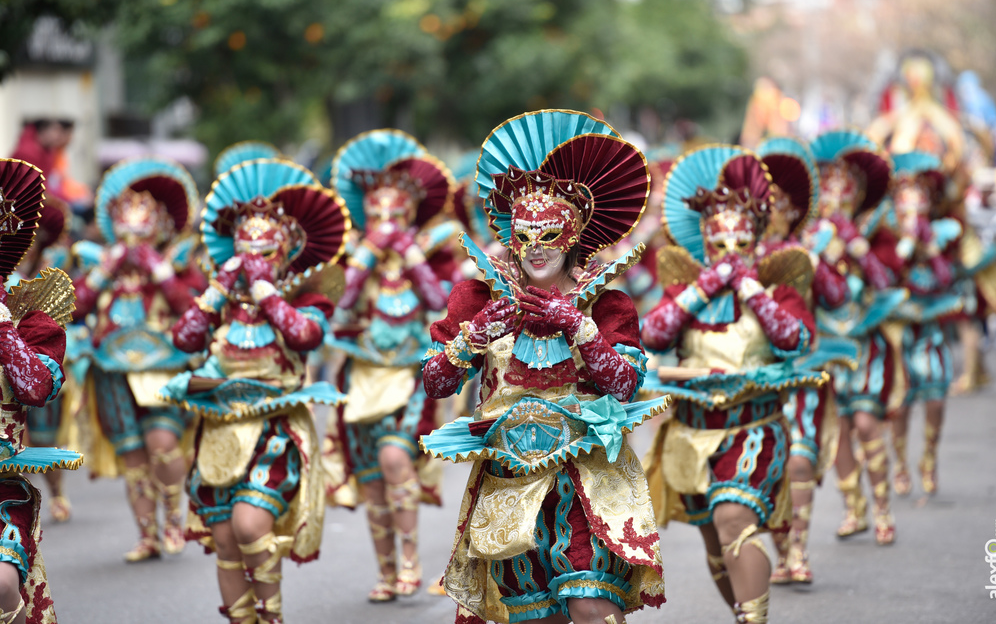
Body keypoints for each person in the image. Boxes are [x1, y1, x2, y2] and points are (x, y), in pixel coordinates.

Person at [421, 110, 666, 624]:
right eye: (525, 235)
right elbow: (436, 382)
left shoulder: (607, 305)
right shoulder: (477, 297)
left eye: (550, 234)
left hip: (585, 478)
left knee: (592, 604)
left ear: (575, 234)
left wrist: (579, 326)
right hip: (506, 478)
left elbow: (625, 385)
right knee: (533, 616)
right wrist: (476, 334)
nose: (537, 249)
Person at [162, 157, 349, 624]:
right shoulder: (221, 297)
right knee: (224, 538)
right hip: (219, 427)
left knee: (250, 525)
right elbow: (183, 340)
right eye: (244, 251)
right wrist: (221, 286)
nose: (251, 262)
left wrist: (267, 292)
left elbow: (308, 337)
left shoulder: (308, 293)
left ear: (285, 253)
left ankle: (273, 617)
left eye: (263, 254)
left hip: (273, 428)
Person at [641, 144, 819, 624]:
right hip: (690, 431)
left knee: (733, 519)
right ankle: (745, 613)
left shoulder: (778, 287)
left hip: (753, 427)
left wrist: (747, 286)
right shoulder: (686, 288)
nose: (731, 255)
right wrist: (705, 286)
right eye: (719, 245)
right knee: (715, 542)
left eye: (742, 244)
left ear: (759, 239)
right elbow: (653, 333)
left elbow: (795, 339)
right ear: (702, 240)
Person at [322, 129, 457, 602]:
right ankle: (384, 571)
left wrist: (409, 252)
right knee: (372, 480)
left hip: (410, 374)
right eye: (376, 210)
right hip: (361, 373)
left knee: (395, 458)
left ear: (412, 211)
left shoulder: (435, 247)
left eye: (395, 210)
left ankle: (409, 561)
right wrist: (366, 257)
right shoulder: (352, 253)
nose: (385, 218)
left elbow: (443, 305)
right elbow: (336, 314)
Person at [73, 157, 206, 562]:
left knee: (163, 444)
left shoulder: (179, 263)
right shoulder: (102, 263)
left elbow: (194, 311)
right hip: (112, 369)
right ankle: (146, 535)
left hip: (163, 367)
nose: (133, 233)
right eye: (125, 223)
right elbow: (73, 308)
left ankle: (172, 518)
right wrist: (104, 272)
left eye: (143, 222)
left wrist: (160, 270)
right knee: (133, 455)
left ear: (162, 225)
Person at [804, 129, 902, 545]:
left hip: (865, 342)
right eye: (828, 186)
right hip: (826, 342)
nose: (836, 195)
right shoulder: (808, 233)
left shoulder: (874, 230)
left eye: (845, 188)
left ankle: (882, 506)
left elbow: (887, 281)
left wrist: (855, 243)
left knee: (865, 420)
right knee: (839, 426)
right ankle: (853, 507)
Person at [755, 137, 845, 585]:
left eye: (777, 203)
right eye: (762, 202)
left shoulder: (808, 247)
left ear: (792, 210)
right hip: (754, 375)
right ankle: (782, 549)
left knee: (799, 459)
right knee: (765, 470)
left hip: (804, 371)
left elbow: (837, 296)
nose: (769, 211)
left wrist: (816, 260)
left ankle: (798, 551)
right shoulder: (738, 256)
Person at [0, 157, 82, 623]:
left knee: (3, 582)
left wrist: (2, 323)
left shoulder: (30, 315)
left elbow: (35, 387)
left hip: (1, 475)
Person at [885, 152, 964, 497]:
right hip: (898, 332)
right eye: (906, 211)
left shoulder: (941, 236)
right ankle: (900, 463)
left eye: (919, 210)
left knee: (935, 401)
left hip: (930, 332)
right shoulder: (887, 241)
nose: (912, 218)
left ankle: (929, 458)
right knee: (899, 405)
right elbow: (884, 278)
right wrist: (904, 247)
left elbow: (948, 279)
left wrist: (929, 248)